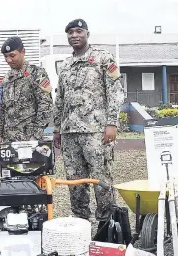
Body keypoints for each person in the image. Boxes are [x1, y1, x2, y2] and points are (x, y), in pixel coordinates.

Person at [53, 19, 125, 223]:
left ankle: (106, 224)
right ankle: (80, 223)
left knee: (101, 179)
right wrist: (57, 128)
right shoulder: (66, 64)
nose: (74, 35)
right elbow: (60, 98)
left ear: (87, 34)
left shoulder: (103, 58)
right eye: (70, 33)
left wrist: (112, 123)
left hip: (96, 131)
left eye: (79, 31)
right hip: (70, 133)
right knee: (75, 181)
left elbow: (115, 92)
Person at [0, 36, 54, 150]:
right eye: (6, 57)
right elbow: (3, 109)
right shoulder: (7, 78)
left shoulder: (37, 74)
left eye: (12, 55)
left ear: (23, 52)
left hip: (30, 140)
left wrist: (35, 136)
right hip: (9, 141)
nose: (8, 60)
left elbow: (46, 105)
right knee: (10, 168)